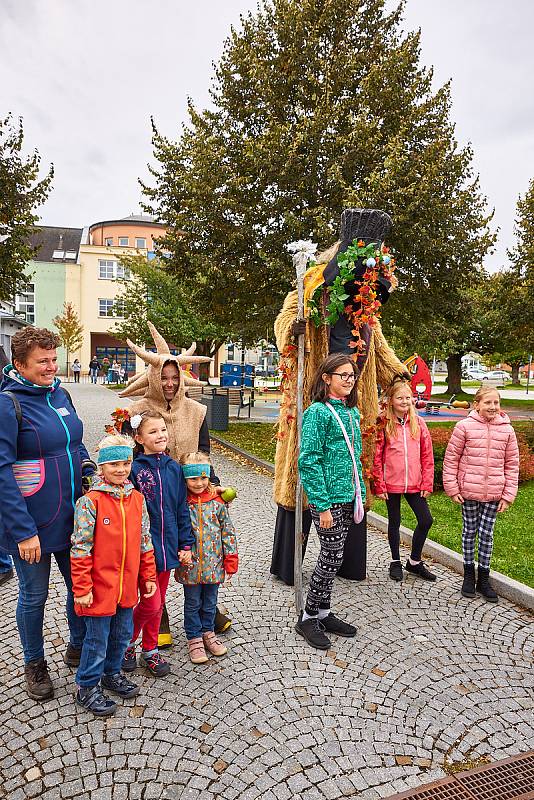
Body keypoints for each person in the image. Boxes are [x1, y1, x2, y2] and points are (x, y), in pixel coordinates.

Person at [272, 209, 407, 586]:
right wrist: (294, 329)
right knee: (306, 473)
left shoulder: (366, 312)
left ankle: (346, 561)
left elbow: (379, 352)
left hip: (354, 407)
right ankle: (290, 564)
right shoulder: (311, 290)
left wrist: (399, 378)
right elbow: (283, 322)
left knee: (347, 477)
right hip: (312, 402)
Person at [119, 321, 233, 640]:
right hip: (154, 497)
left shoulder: (196, 410)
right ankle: (160, 613)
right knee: (156, 556)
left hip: (191, 493)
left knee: (194, 550)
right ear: (154, 378)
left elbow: (205, 449)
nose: (169, 383)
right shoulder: (138, 410)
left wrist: (209, 482)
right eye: (164, 377)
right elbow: (127, 453)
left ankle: (203, 610)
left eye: (174, 377)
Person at [0, 326, 94, 700]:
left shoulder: (61, 393)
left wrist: (87, 468)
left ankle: (78, 644)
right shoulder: (9, 404)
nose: (52, 366)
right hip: (33, 523)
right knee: (34, 594)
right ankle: (35, 663)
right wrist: (22, 531)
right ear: (20, 365)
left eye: (54, 359)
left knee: (78, 587)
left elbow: (76, 442)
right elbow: (2, 470)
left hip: (74, 519)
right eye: (43, 361)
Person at [71, 433, 157, 716]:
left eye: (125, 463)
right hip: (100, 588)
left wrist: (148, 577)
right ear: (102, 468)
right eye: (113, 464)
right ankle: (86, 685)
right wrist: (82, 588)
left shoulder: (137, 500)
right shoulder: (90, 502)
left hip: (128, 587)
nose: (121, 470)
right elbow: (81, 548)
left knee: (121, 635)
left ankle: (111, 673)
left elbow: (145, 542)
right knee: (96, 640)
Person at [295, 353, 363, 651]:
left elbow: (353, 457)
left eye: (352, 376)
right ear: (327, 378)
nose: (349, 380)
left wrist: (358, 490)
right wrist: (321, 506)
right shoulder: (317, 413)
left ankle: (324, 611)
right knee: (331, 557)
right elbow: (309, 461)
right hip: (328, 500)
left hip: (348, 496)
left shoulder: (351, 412)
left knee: (334, 557)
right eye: (343, 375)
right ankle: (308, 616)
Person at [122, 410, 195, 677]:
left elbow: (181, 508)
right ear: (139, 438)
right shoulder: (134, 470)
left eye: (163, 430)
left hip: (167, 548)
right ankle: (127, 643)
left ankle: (149, 650)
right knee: (148, 602)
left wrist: (186, 544)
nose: (161, 435)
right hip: (142, 550)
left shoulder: (174, 468)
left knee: (158, 602)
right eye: (153, 432)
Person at [443, 386, 519, 602]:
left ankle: (483, 578)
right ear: (476, 404)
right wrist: (452, 487)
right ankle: (468, 574)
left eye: (496, 403)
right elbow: (451, 459)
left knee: (487, 535)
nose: (492, 407)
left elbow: (512, 464)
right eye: (487, 402)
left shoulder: (507, 430)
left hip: (495, 492)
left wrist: (508, 494)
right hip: (469, 491)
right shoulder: (464, 427)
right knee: (469, 532)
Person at [372, 376, 436, 582]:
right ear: (391, 400)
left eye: (408, 397)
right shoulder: (384, 423)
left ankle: (414, 562)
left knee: (426, 520)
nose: (405, 401)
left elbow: (427, 455)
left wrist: (427, 482)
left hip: (415, 483)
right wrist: (379, 484)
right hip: (392, 483)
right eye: (400, 397)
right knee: (394, 522)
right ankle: (395, 561)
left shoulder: (419, 423)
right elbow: (376, 456)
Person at [176, 451, 238, 664]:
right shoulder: (182, 503)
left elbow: (228, 532)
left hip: (214, 564)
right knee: (192, 602)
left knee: (210, 602)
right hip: (190, 566)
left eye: (203, 477)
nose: (199, 483)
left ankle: (208, 633)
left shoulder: (217, 502)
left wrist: (230, 560)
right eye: (193, 478)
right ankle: (194, 638)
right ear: (184, 478)